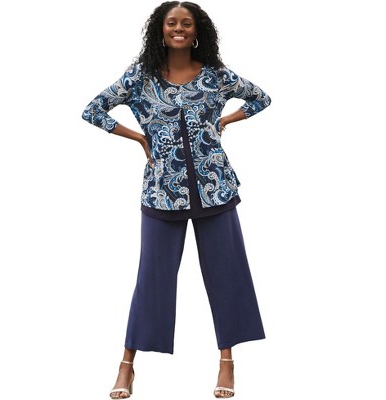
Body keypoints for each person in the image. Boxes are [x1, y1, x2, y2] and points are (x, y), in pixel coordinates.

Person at [82, 1, 271, 398]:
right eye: (172, 23)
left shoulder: (216, 76)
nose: (179, 28)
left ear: (198, 31)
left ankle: (226, 362)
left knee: (227, 274)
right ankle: (127, 365)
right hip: (161, 191)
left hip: (215, 187)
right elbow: (93, 110)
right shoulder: (140, 77)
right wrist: (137, 137)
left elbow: (260, 98)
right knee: (152, 277)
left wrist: (225, 120)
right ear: (161, 30)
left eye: (187, 23)